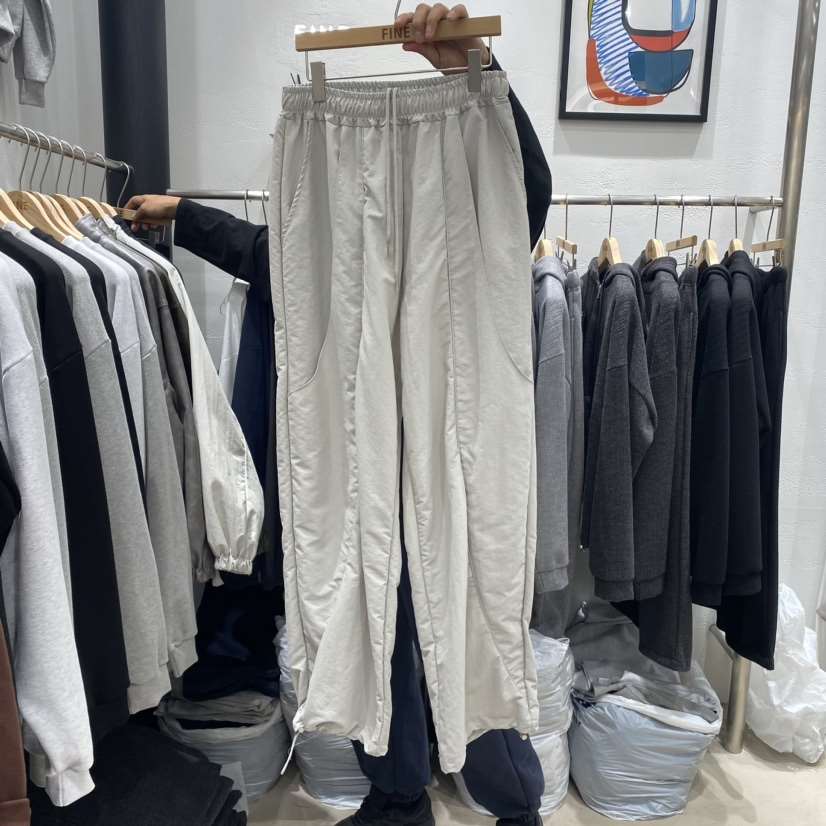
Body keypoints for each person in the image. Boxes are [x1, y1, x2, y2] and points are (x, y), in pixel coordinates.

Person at [128, 5, 552, 825]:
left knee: (467, 575)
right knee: (370, 601)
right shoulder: (322, 222)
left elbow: (518, 202)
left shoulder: (469, 186)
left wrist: (476, 78)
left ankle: (512, 801)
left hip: (453, 374)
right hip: (359, 416)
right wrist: (184, 214)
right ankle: (398, 796)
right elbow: (282, 260)